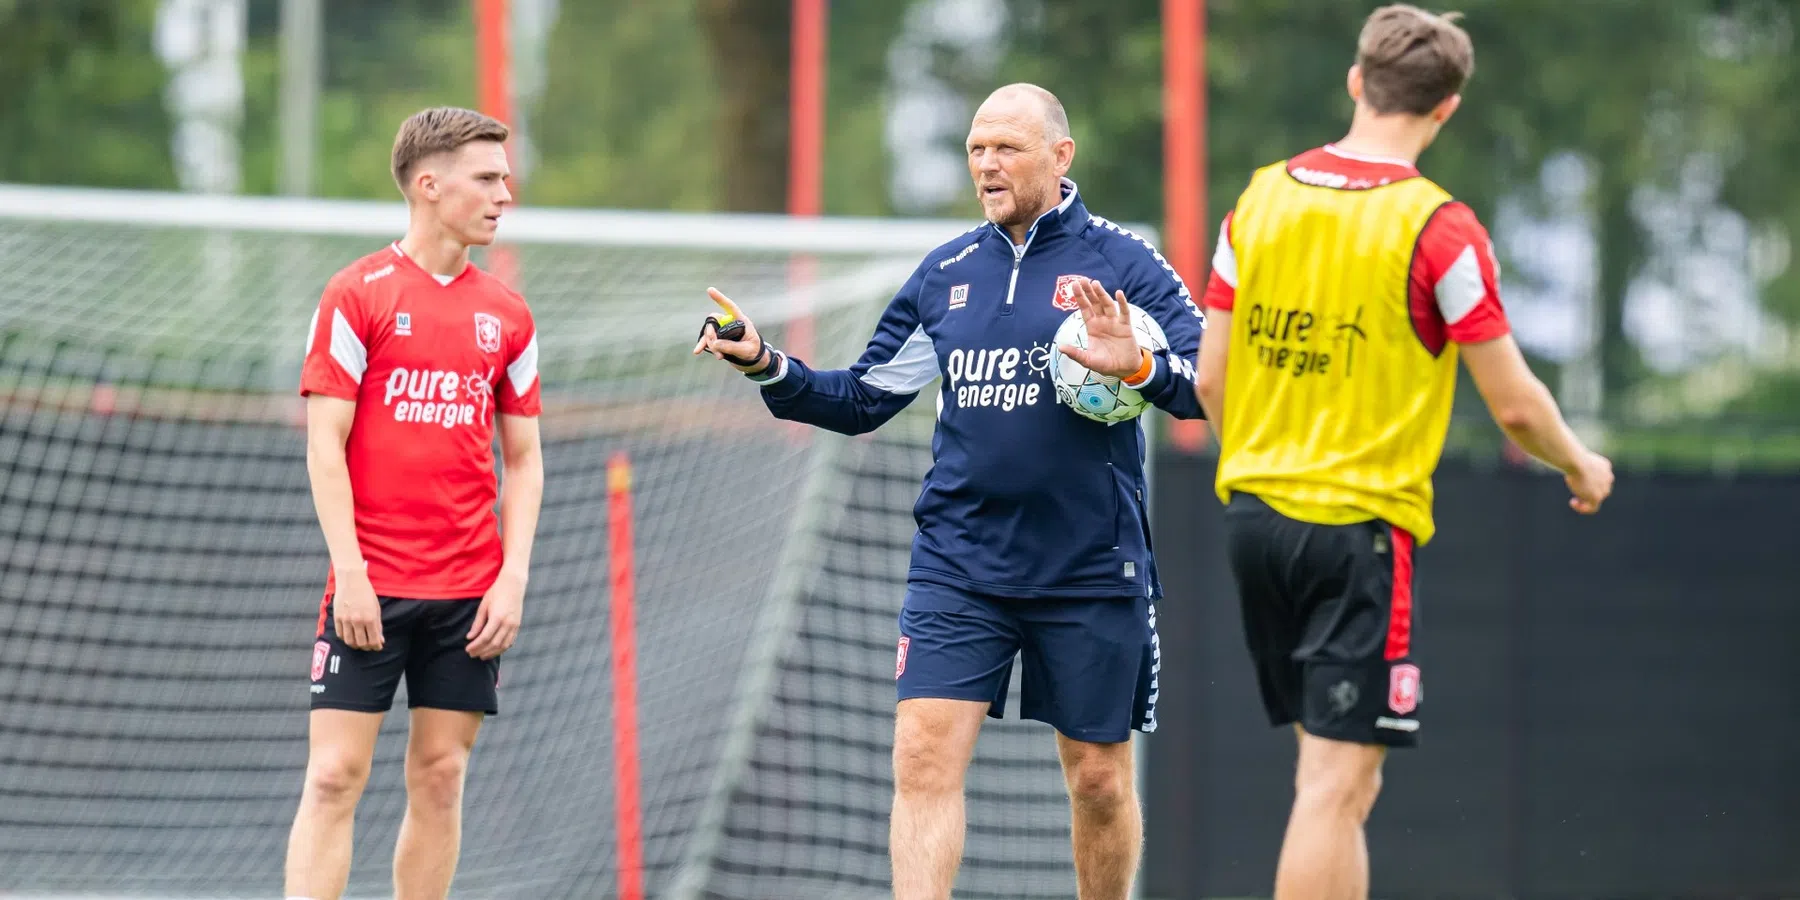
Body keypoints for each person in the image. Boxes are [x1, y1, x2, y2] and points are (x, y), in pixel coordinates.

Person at [695, 83, 1205, 900]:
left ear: (1060, 156)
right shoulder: (947, 275)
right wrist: (766, 361)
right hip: (959, 563)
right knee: (923, 756)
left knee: (1099, 782)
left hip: (1089, 565)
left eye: (1007, 146)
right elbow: (862, 399)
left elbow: (1209, 384)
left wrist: (1139, 366)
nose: (987, 164)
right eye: (976, 148)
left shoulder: (1124, 264)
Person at [1192, 6, 1615, 898]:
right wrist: (1580, 462)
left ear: (1356, 82)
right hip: (1356, 540)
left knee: (1346, 782)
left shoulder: (1260, 197)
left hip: (1257, 525)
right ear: (1447, 108)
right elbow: (1513, 404)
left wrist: (1264, 463)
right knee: (1331, 789)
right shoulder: (1438, 228)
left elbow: (1208, 379)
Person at [285, 106, 544, 900]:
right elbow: (324, 445)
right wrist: (351, 573)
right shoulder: (355, 294)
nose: (506, 194)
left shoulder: (507, 314)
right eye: (488, 178)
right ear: (429, 186)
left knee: (439, 777)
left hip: (468, 593)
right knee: (334, 776)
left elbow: (526, 461)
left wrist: (511, 580)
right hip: (369, 585)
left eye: (505, 177)